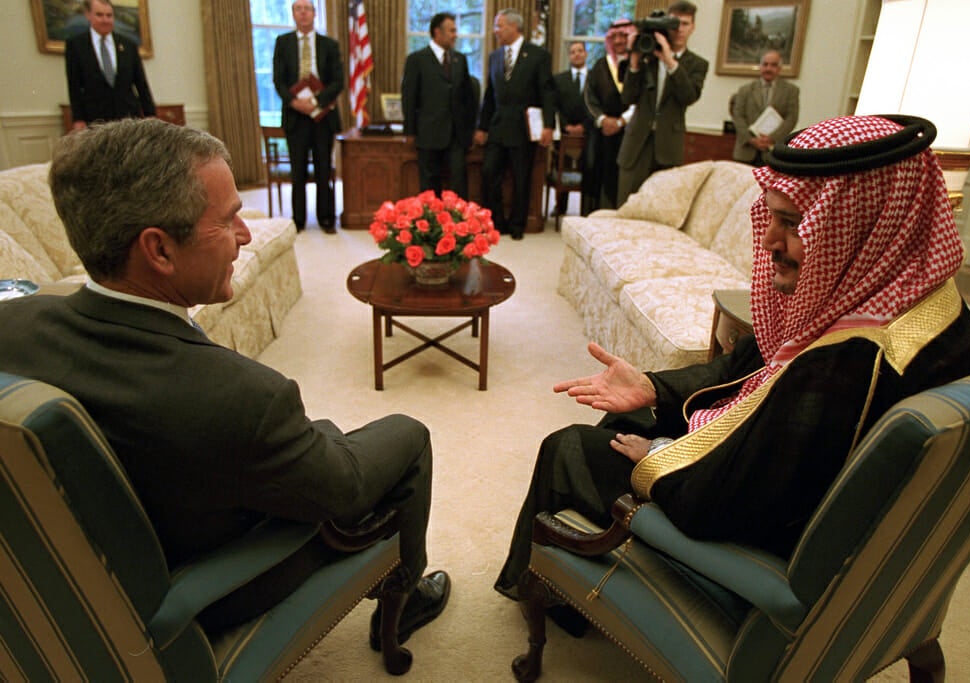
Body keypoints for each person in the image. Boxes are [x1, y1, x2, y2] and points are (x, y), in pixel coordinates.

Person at [495, 114, 970, 607]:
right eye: (770, 216)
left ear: (861, 225)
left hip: (775, 537)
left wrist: (658, 454)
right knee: (629, 412)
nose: (769, 239)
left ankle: (541, 592)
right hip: (787, 475)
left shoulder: (846, 364)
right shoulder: (911, 294)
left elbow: (730, 502)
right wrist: (653, 386)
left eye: (792, 223)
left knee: (571, 447)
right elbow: (751, 366)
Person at [0, 118, 450, 646]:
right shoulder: (239, 397)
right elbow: (343, 491)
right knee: (407, 435)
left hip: (71, 580)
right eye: (231, 218)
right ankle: (405, 597)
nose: (245, 235)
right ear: (160, 250)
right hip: (197, 588)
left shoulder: (13, 325)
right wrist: (316, 436)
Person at [474, 9, 556, 240]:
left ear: (513, 27)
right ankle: (497, 222)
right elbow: (490, 95)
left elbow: (547, 92)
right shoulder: (495, 56)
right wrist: (482, 127)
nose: (495, 31)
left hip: (524, 127)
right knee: (489, 172)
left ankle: (518, 224)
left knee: (522, 177)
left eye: (499, 26)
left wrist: (548, 125)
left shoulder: (538, 55)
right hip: (498, 125)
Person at [616, 2, 708, 207]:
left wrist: (670, 62)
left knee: (660, 208)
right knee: (626, 206)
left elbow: (689, 96)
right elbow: (628, 98)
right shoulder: (647, 54)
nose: (679, 29)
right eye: (674, 23)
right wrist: (634, 62)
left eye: (685, 24)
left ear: (693, 27)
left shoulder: (697, 64)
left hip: (668, 146)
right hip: (636, 144)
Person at [273, 0, 345, 233]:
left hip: (323, 117)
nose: (303, 13)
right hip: (296, 117)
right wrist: (295, 102)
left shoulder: (329, 45)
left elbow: (338, 81)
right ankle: (299, 220)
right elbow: (278, 80)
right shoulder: (282, 43)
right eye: (298, 9)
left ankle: (326, 218)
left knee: (324, 168)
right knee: (298, 170)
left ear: (315, 14)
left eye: (307, 9)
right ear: (293, 14)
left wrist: (315, 102)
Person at [401, 12, 478, 199]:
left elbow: (468, 98)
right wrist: (410, 131)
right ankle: (431, 225)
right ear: (437, 32)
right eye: (451, 31)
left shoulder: (460, 59)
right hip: (428, 133)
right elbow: (409, 97)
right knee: (429, 184)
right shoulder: (417, 59)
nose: (455, 35)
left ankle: (459, 225)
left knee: (459, 183)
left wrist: (471, 130)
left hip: (456, 135)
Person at [64, 0, 155, 131]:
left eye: (109, 15)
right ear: (88, 15)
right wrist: (78, 119)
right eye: (99, 15)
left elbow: (141, 82)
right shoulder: (76, 45)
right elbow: (74, 86)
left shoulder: (128, 45)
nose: (105, 20)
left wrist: (149, 113)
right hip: (95, 119)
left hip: (128, 118)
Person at [583, 19, 635, 212]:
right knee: (597, 177)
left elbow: (643, 101)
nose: (619, 41)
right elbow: (589, 98)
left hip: (630, 133)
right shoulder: (599, 66)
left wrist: (621, 122)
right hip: (601, 133)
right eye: (615, 37)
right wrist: (603, 120)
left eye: (624, 36)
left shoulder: (640, 65)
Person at [731, 49, 800, 166]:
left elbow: (791, 118)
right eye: (765, 64)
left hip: (773, 153)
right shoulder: (745, 90)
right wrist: (751, 140)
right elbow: (737, 116)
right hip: (746, 151)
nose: (768, 68)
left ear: (779, 69)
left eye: (773, 65)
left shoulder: (791, 91)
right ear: (760, 66)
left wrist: (771, 138)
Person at [551, 41, 592, 217]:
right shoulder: (560, 79)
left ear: (586, 54)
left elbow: (595, 105)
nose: (577, 54)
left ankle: (586, 209)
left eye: (580, 51)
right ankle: (560, 207)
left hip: (588, 132)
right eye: (573, 52)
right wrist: (566, 125)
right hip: (565, 132)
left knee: (588, 168)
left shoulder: (594, 79)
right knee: (562, 166)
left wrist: (584, 126)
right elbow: (555, 106)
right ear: (569, 56)